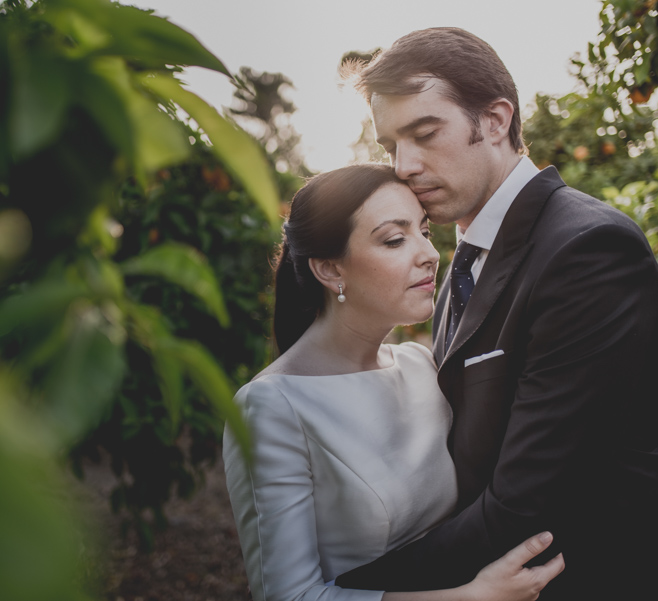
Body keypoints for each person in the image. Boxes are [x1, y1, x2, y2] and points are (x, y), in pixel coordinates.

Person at [332, 28, 658, 600]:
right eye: (389, 146)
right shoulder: (464, 260)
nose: (402, 165)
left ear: (496, 120)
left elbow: (526, 501)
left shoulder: (589, 250)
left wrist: (338, 591)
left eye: (424, 134)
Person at [223, 164, 564, 601]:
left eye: (424, 231)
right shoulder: (270, 407)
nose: (429, 253)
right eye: (395, 239)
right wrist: (471, 598)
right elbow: (289, 596)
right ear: (330, 270)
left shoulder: (420, 365)